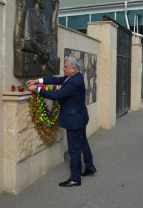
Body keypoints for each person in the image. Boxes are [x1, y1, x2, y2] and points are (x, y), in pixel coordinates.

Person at [26, 56, 96, 187]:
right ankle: (90, 166)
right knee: (82, 142)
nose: (63, 69)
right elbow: (57, 79)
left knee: (74, 150)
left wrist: (38, 89)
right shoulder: (75, 77)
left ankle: (75, 178)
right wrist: (38, 80)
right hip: (80, 117)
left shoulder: (74, 82)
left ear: (73, 69)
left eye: (65, 67)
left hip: (74, 120)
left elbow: (57, 96)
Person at [22, 0, 57, 74]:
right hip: (36, 49)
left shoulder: (46, 19)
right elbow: (28, 36)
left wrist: (47, 52)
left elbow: (49, 40)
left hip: (44, 52)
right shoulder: (31, 13)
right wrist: (41, 52)